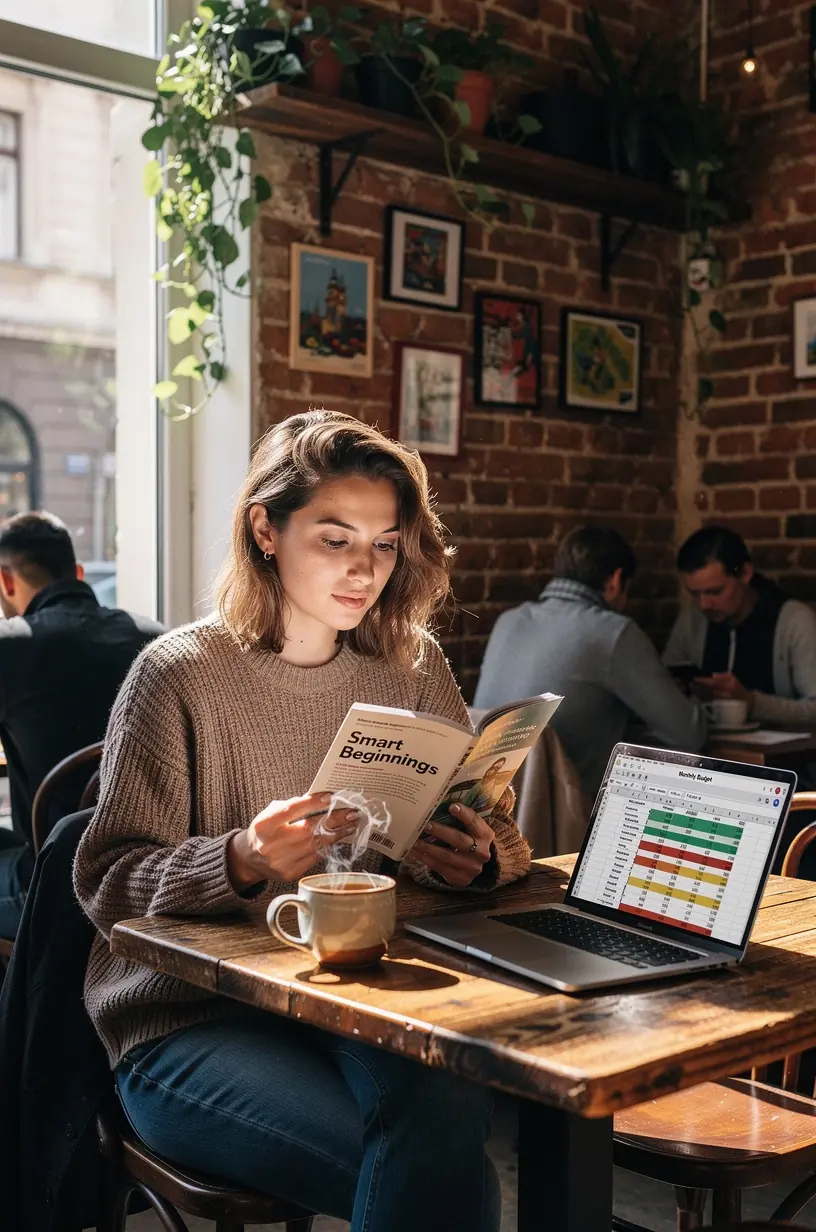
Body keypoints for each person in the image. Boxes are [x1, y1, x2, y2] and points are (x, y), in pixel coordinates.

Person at [73, 410, 532, 1232]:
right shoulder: (179, 674)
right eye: (335, 538)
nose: (365, 569)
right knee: (448, 1180)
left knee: (451, 1112)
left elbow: (485, 822)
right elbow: (107, 882)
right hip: (186, 1019)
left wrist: (481, 857)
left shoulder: (411, 664)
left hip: (352, 998)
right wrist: (241, 858)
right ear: (266, 530)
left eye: (385, 543)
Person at [0, 512, 162, 940]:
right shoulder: (155, 639)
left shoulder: (12, 644)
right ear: (77, 573)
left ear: (6, 580)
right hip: (149, 881)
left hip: (49, 885)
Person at [474, 524, 707, 800]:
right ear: (616, 580)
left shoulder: (508, 621)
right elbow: (688, 734)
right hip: (570, 812)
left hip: (484, 806)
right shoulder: (614, 632)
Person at [664, 525, 816, 727]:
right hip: (708, 744)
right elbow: (663, 685)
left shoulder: (794, 621)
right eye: (694, 594)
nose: (704, 605)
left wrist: (752, 703)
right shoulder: (693, 619)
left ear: (745, 573)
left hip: (780, 747)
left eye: (715, 592)